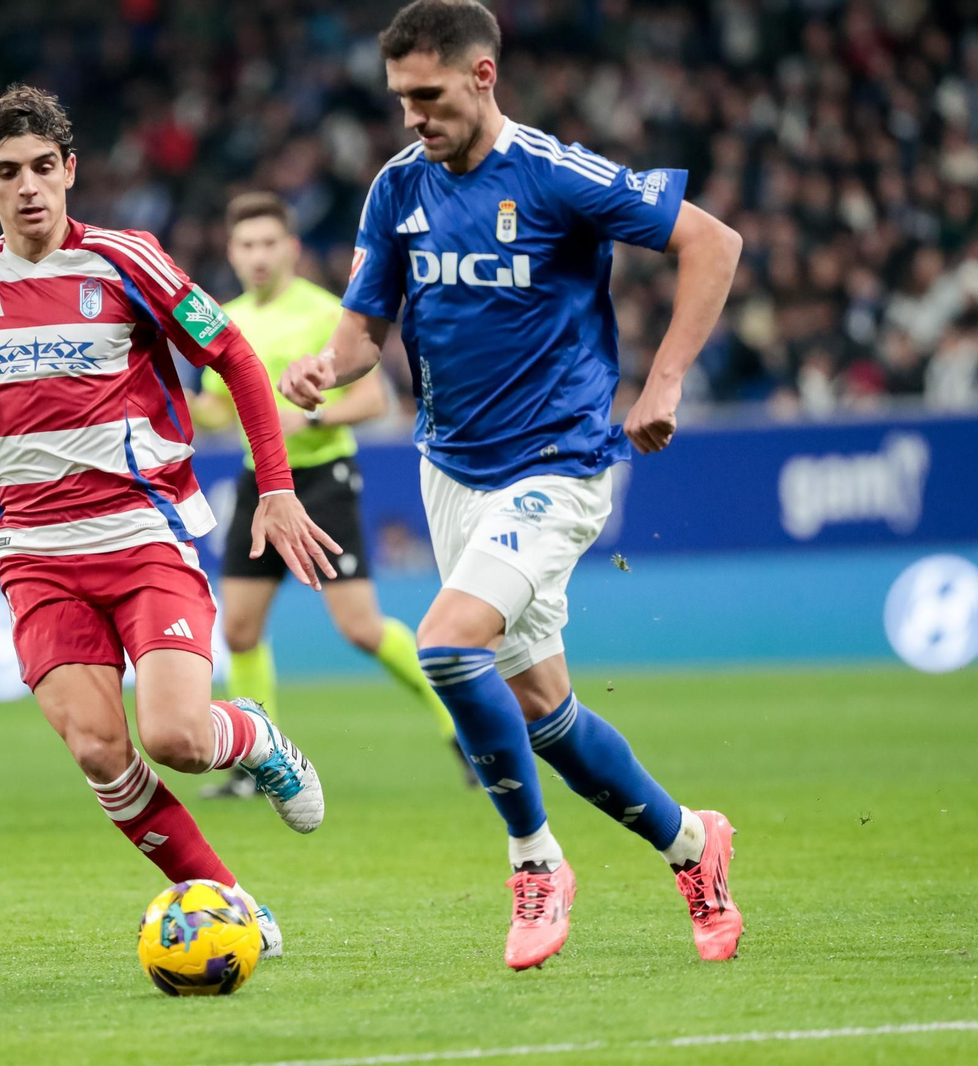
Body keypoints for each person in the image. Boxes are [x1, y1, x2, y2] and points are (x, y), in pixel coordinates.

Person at [280, 0, 746, 970]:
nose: (412, 115)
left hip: (559, 464)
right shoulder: (396, 188)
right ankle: (692, 846)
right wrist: (328, 365)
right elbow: (364, 328)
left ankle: (535, 862)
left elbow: (714, 242)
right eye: (399, 98)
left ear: (482, 75)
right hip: (451, 469)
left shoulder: (553, 172)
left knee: (448, 645)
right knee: (544, 711)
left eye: (427, 95)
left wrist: (663, 381)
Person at [0, 85, 340, 958]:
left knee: (177, 737)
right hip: (36, 557)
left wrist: (277, 485)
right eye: (7, 172)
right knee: (101, 752)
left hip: (143, 536)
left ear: (69, 170)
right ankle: (230, 903)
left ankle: (252, 733)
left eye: (43, 167)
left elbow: (234, 356)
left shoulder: (127, 260)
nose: (28, 186)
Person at [190, 191, 466, 801]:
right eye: (247, 245)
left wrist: (312, 419)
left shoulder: (322, 314)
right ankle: (259, 765)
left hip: (322, 479)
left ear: (292, 249)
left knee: (361, 628)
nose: (258, 256)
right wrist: (180, 405)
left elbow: (375, 399)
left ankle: (462, 727)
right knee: (239, 631)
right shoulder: (223, 320)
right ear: (231, 252)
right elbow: (216, 409)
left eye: (269, 243)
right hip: (260, 483)